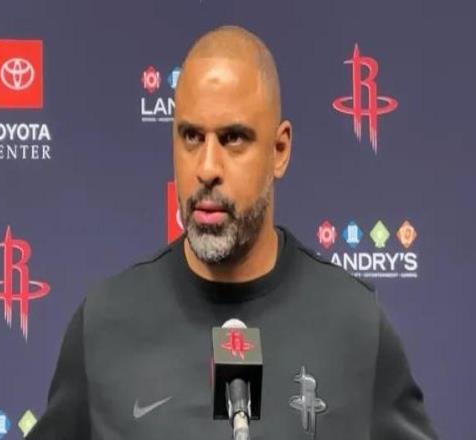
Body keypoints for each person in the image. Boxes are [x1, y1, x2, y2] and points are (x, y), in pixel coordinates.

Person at [28, 25, 438, 439]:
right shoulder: (104, 324)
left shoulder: (356, 326)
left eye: (233, 138)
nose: (207, 168)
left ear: (280, 150)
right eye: (191, 136)